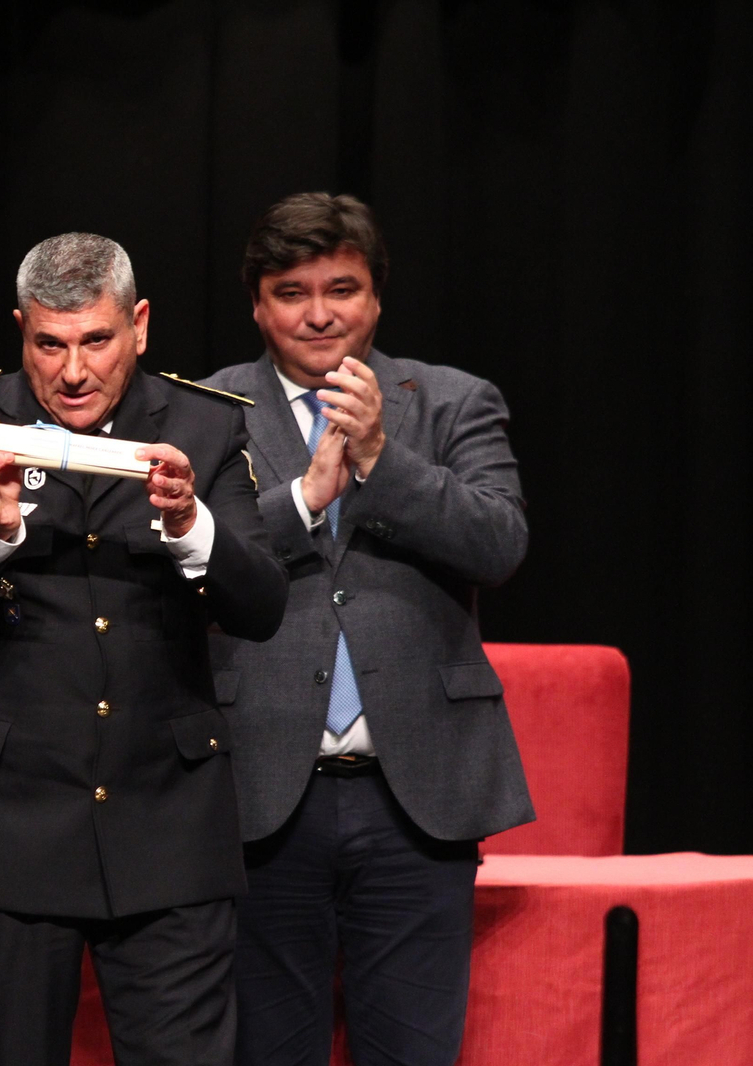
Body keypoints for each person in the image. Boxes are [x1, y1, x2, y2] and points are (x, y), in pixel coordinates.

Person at [0, 232, 288, 1065]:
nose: (73, 371)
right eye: (49, 344)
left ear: (139, 326)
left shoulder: (206, 427)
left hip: (167, 825)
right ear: (20, 330)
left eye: (96, 341)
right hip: (4, 828)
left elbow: (262, 607)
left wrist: (191, 524)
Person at [200, 192, 534, 1066]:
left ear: (377, 296)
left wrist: (382, 459)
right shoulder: (206, 411)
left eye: (341, 289)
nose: (318, 314)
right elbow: (184, 562)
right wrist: (305, 500)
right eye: (291, 292)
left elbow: (499, 544)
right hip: (257, 788)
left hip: (417, 792)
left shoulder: (453, 401)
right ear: (257, 305)